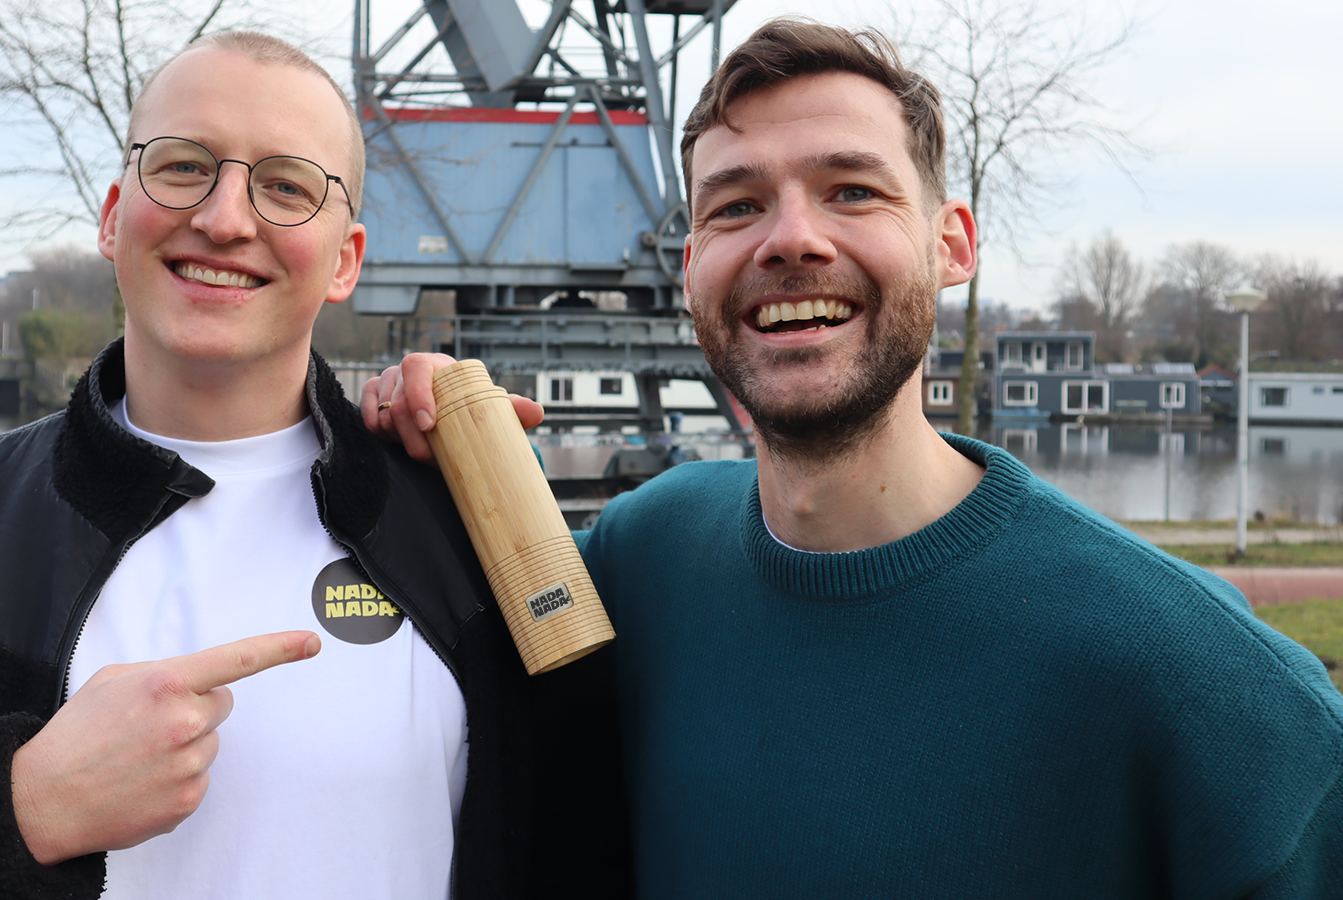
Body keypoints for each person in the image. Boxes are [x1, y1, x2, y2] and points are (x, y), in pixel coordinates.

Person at [365, 18, 1343, 899]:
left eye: (851, 191)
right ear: (687, 269)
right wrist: (383, 457)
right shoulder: (637, 560)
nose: (791, 238)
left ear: (951, 245)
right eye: (735, 207)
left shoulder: (1219, 694)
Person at [0, 31, 626, 900]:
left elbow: (578, 853)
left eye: (286, 186)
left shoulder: (467, 524)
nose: (225, 218)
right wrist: (18, 812)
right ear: (112, 214)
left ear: (345, 261)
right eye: (181, 166)